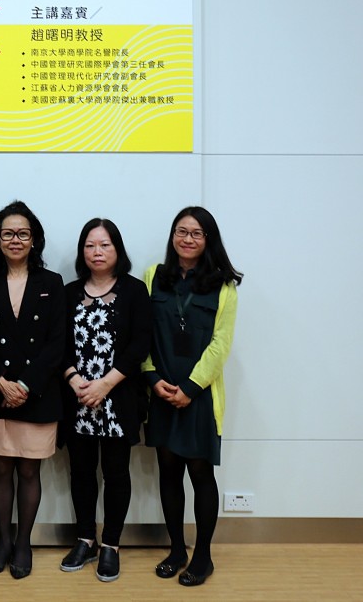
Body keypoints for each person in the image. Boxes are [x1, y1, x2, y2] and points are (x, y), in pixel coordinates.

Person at [143, 206, 242, 587]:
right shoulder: (153, 276)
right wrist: (152, 378)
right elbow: (142, 332)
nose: (187, 239)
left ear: (208, 240)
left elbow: (221, 344)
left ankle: (203, 556)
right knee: (168, 472)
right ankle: (176, 550)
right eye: (181, 231)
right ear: (173, 236)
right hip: (161, 392)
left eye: (196, 233)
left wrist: (190, 387)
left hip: (199, 396)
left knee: (200, 473)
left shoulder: (224, 286)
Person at [59, 218, 152, 582]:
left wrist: (105, 384)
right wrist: (75, 380)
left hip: (117, 398)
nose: (97, 252)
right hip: (78, 398)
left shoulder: (134, 290)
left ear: (117, 249)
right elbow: (57, 342)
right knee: (81, 472)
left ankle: (111, 544)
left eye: (105, 245)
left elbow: (140, 343)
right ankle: (85, 539)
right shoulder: (68, 292)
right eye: (90, 245)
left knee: (116, 473)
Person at [0, 201, 64, 580]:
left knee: (29, 470)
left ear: (34, 240)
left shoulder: (52, 283)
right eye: (8, 233)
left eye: (23, 233)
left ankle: (24, 543)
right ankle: (3, 542)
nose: (15, 239)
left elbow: (58, 343)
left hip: (37, 393)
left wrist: (26, 385)